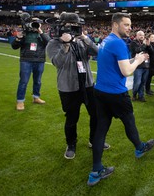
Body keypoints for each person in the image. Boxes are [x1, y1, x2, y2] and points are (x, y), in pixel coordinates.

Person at [87, 12, 154, 186]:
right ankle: (140, 148)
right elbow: (126, 71)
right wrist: (138, 60)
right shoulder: (118, 43)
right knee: (129, 122)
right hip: (116, 94)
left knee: (101, 129)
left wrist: (135, 58)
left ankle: (95, 171)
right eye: (126, 24)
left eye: (130, 25)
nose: (130, 28)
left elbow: (118, 63)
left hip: (100, 91)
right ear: (115, 25)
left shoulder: (106, 40)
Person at [46, 13, 109, 160]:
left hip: (87, 85)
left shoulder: (81, 40)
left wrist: (86, 39)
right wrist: (66, 45)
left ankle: (94, 140)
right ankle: (71, 144)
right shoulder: (53, 43)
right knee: (71, 118)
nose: (71, 29)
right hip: (68, 88)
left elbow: (98, 53)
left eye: (74, 25)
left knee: (96, 114)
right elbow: (57, 63)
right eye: (68, 26)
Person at [11, 14, 50, 110]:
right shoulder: (25, 33)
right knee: (23, 81)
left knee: (38, 81)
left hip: (39, 60)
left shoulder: (42, 34)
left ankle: (36, 97)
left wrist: (40, 32)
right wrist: (18, 38)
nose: (35, 25)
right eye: (34, 23)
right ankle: (20, 101)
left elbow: (49, 43)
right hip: (26, 60)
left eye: (37, 24)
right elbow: (14, 46)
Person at [130, 31, 152, 102]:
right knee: (137, 82)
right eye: (140, 35)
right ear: (136, 36)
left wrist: (149, 45)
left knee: (143, 82)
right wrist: (144, 45)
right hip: (138, 66)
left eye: (143, 35)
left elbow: (151, 52)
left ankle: (141, 96)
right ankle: (134, 94)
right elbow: (137, 50)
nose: (142, 36)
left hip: (146, 65)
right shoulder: (133, 43)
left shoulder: (145, 43)